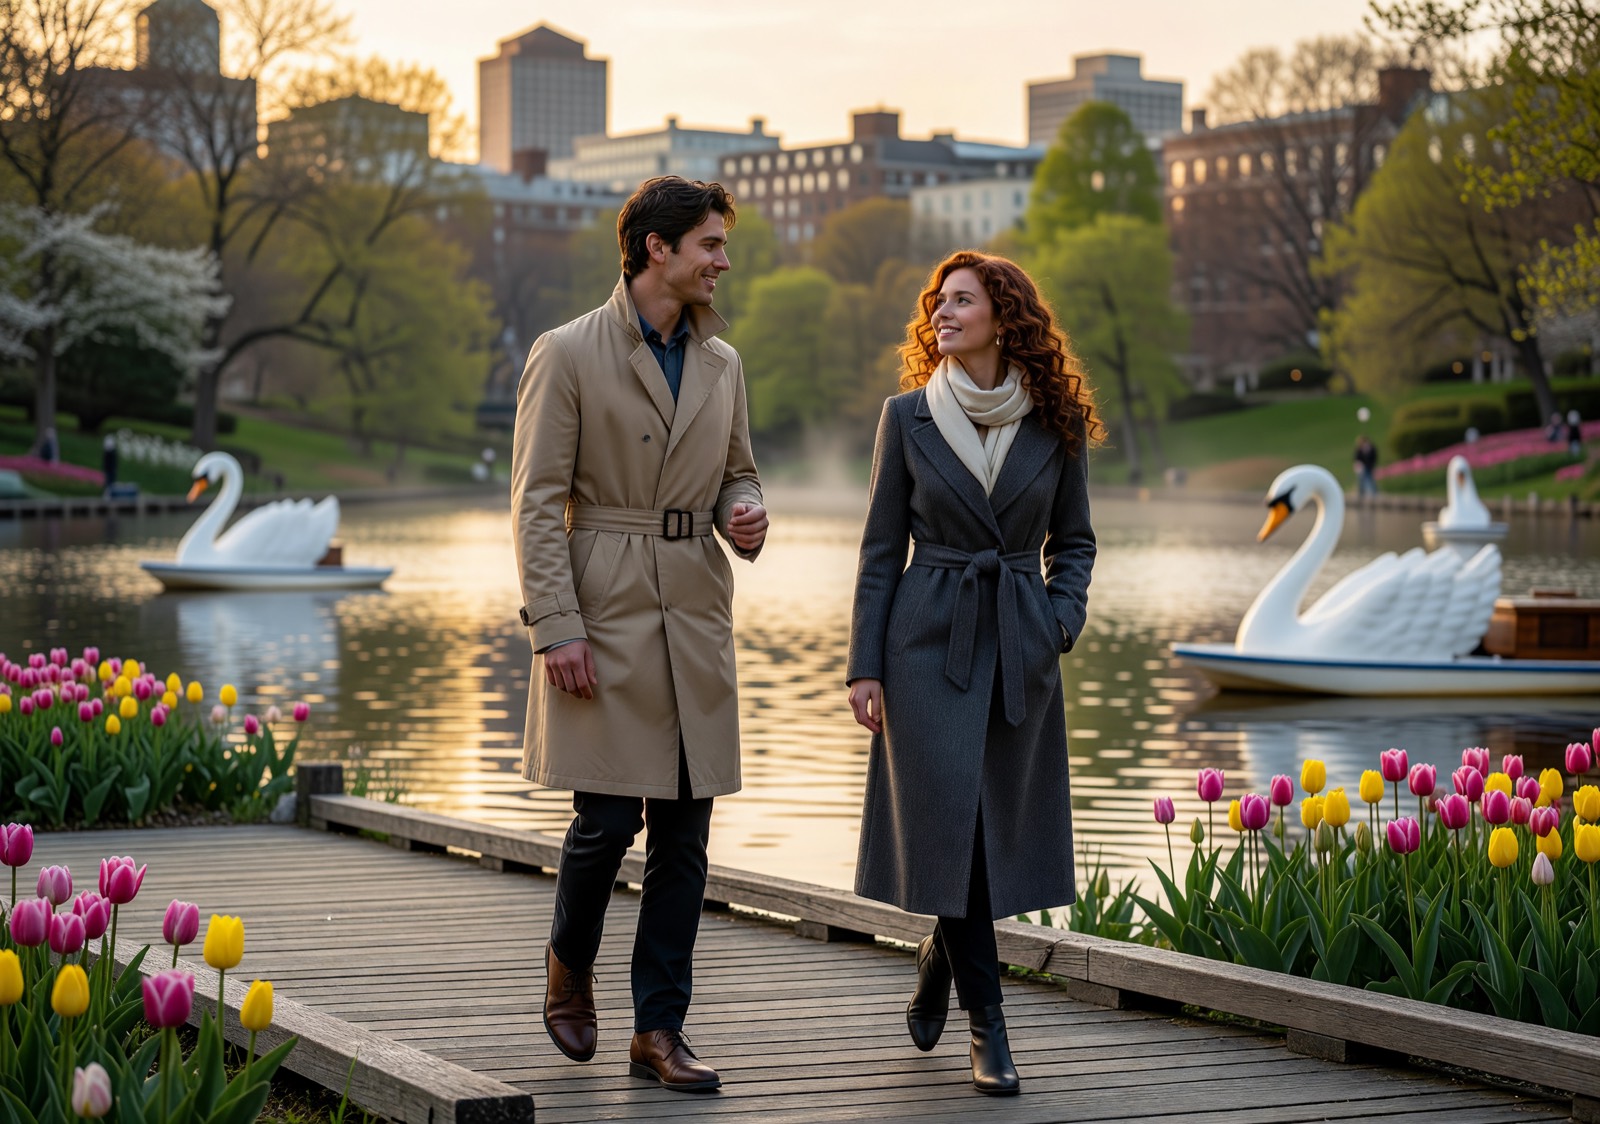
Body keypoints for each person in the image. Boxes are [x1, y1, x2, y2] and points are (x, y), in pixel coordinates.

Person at [510, 176, 768, 1093]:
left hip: (694, 607)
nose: (722, 261)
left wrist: (746, 513)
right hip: (603, 602)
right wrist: (555, 627)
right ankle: (566, 967)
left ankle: (659, 1031)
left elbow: (740, 472)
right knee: (605, 821)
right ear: (657, 248)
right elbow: (539, 504)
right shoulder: (567, 352)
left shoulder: (723, 362)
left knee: (686, 837)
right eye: (710, 244)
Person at [845, 250, 1099, 1096]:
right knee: (952, 826)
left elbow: (1077, 543)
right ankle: (990, 1028)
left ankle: (941, 954)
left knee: (988, 835)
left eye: (962, 300)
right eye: (938, 302)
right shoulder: (906, 416)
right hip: (926, 646)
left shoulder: (1055, 422)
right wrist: (864, 667)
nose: (942, 313)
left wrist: (1061, 618)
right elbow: (881, 553)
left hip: (1021, 645)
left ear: (1004, 316)